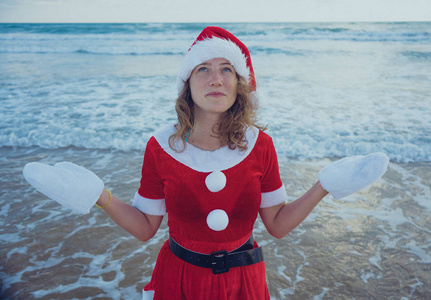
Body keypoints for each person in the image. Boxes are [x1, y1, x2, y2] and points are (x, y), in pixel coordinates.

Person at [23, 26, 389, 300]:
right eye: (203, 69)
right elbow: (146, 227)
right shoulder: (161, 146)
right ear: (188, 85)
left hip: (243, 281)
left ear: (239, 84)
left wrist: (326, 184)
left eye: (227, 69)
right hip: (179, 279)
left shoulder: (261, 146)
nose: (216, 78)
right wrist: (96, 194)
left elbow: (276, 224)